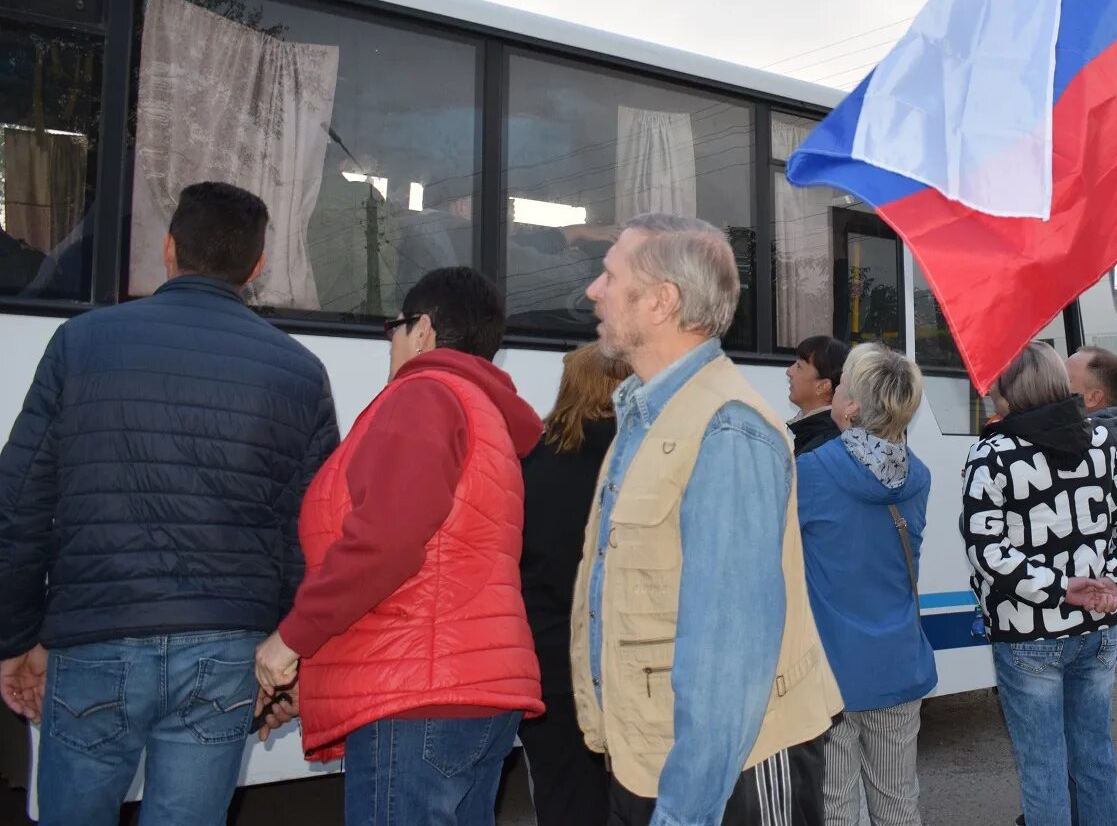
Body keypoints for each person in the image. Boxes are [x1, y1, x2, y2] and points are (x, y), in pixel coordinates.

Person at [0, 182, 339, 826]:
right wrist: (289, 651)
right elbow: (312, 531)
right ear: (257, 266)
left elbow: (18, 505)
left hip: (94, 636)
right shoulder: (298, 372)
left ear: (168, 249)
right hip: (225, 653)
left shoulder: (81, 343)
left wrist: (16, 638)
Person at [570, 213, 844, 826]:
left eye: (610, 275)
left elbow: (729, 657)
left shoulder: (727, 429)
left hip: (726, 776)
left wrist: (684, 813)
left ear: (662, 301)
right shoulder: (648, 416)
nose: (594, 290)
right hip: (654, 759)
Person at [253, 266, 544, 826]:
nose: (389, 341)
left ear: (425, 330)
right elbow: (437, 567)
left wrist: (289, 642)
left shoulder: (423, 396)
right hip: (468, 688)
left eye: (395, 326)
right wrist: (312, 679)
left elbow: (385, 545)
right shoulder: (478, 412)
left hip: (417, 699)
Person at [961, 341, 1117, 826]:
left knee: (1043, 766)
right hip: (1097, 627)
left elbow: (987, 552)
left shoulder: (992, 453)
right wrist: (1113, 579)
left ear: (1009, 390)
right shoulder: (1100, 442)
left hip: (1026, 632)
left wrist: (1057, 587)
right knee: (1093, 758)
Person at [797, 343, 935, 826]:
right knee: (898, 802)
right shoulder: (918, 477)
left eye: (842, 386)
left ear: (851, 406)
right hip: (898, 664)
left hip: (831, 671)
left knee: (834, 804)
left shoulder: (810, 472)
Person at [519, 342, 631, 826]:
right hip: (627, 659)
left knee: (563, 795)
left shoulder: (528, 461)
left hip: (550, 660)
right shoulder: (638, 457)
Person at [1066, 346, 1117, 464]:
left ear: (1093, 398)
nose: (1055, 386)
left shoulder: (1084, 450)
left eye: (1066, 380)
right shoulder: (1113, 447)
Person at [787, 335, 852, 456]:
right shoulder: (812, 433)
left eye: (799, 366)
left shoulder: (822, 446)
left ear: (823, 387)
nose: (789, 371)